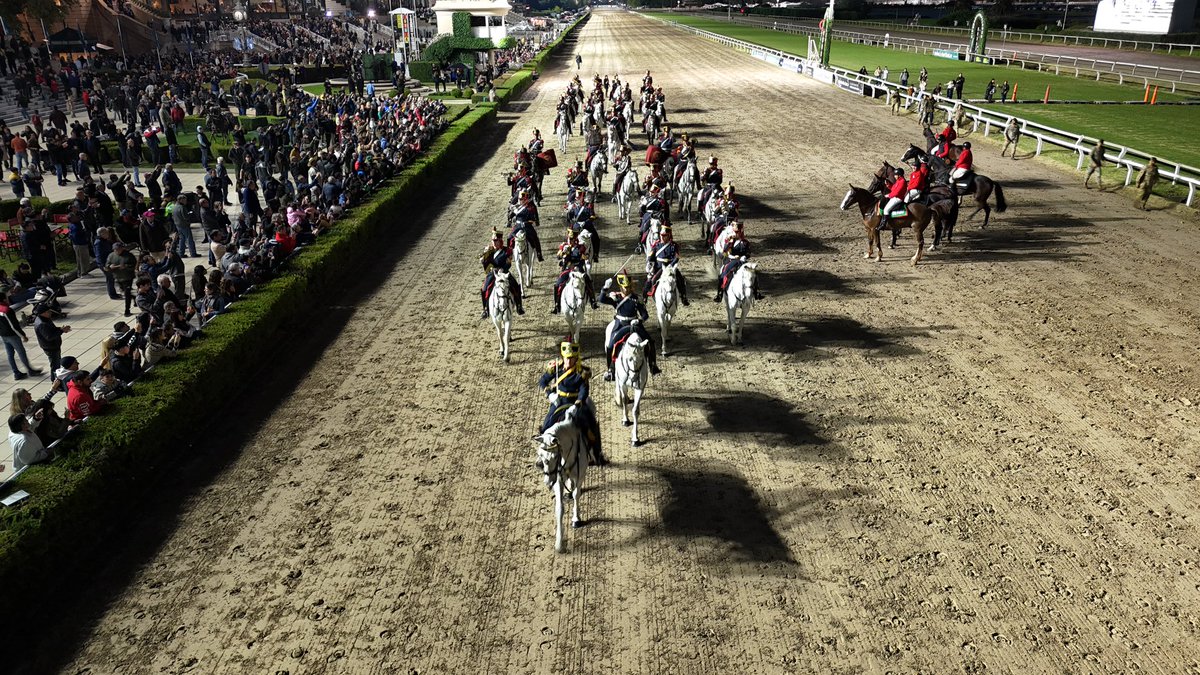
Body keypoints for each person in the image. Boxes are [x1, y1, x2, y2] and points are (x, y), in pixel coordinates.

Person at [537, 338, 605, 465]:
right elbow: (543, 381)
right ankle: (543, 454)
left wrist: (577, 404)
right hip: (559, 401)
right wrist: (550, 394)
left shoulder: (581, 373)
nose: (568, 361)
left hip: (576, 402)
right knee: (547, 425)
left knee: (590, 427)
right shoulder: (556, 369)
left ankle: (597, 453)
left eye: (571, 358)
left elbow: (584, 391)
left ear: (576, 358)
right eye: (566, 358)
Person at [479, 229, 524, 319]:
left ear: (500, 241)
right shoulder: (489, 250)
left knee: (515, 286)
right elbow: (486, 262)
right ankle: (485, 309)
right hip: (492, 274)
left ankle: (519, 306)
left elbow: (508, 263)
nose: (494, 243)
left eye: (496, 241)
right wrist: (483, 260)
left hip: (504, 272)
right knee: (484, 289)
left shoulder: (507, 251)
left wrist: (502, 269)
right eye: (493, 241)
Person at [0, 291, 43, 380]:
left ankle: (16, 373)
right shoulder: (7, 310)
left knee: (10, 355)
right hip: (13, 335)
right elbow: (13, 325)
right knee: (21, 353)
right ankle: (30, 370)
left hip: (3, 336)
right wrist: (22, 335)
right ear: (4, 299)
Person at [646, 226, 689, 306]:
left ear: (669, 235)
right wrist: (650, 258)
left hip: (670, 267)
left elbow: (677, 257)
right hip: (659, 267)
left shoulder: (674, 245)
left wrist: (671, 265)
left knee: (681, 280)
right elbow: (651, 256)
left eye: (664, 235)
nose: (662, 237)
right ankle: (647, 296)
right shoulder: (656, 244)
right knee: (652, 280)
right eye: (661, 235)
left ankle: (683, 297)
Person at [33, 303, 70, 378]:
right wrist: (61, 331)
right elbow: (49, 336)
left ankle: (57, 380)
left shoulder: (45, 319)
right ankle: (55, 381)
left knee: (57, 363)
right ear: (43, 313)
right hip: (50, 347)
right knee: (55, 366)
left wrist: (60, 329)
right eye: (48, 311)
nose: (50, 312)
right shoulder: (42, 324)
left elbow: (51, 330)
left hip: (53, 346)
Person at [877, 168, 907, 232]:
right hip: (894, 197)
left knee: (886, 209)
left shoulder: (902, 182)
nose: (894, 176)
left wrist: (888, 195)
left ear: (899, 175)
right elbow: (893, 189)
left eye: (895, 175)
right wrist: (888, 185)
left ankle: (883, 224)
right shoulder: (898, 181)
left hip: (898, 198)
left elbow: (897, 192)